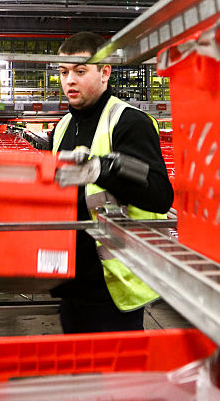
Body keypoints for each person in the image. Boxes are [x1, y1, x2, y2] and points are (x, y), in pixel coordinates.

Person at [50, 31, 173, 334]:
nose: (70, 81)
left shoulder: (129, 122)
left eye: (80, 71)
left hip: (114, 288)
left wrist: (99, 169)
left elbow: (159, 193)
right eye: (64, 72)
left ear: (105, 72)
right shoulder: (62, 127)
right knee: (80, 376)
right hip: (70, 281)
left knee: (117, 378)